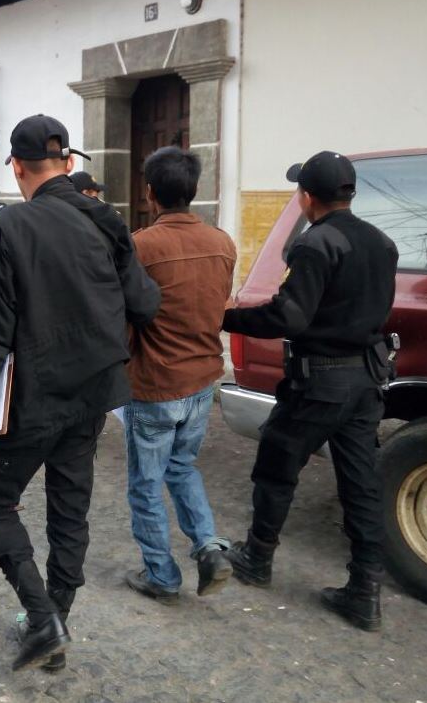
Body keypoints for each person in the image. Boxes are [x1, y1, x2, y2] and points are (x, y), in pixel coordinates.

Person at [0, 114, 160, 671]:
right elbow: (144, 303)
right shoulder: (104, 221)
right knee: (70, 511)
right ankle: (58, 620)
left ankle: (43, 618)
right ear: (68, 165)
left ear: (17, 167)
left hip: (34, 398)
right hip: (93, 395)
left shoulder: (7, 226)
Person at [222, 150, 398, 631]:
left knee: (277, 466)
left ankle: (256, 559)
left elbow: (289, 316)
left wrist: (227, 317)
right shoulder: (382, 242)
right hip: (367, 381)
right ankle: (365, 593)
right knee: (361, 484)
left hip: (320, 381)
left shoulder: (316, 243)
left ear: (306, 197)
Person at [121, 147, 237, 604]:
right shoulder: (223, 243)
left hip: (155, 383)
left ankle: (162, 575)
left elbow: (125, 316)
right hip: (202, 379)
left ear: (150, 192)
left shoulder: (140, 246)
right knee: (182, 466)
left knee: (146, 483)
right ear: (194, 191)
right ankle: (208, 546)